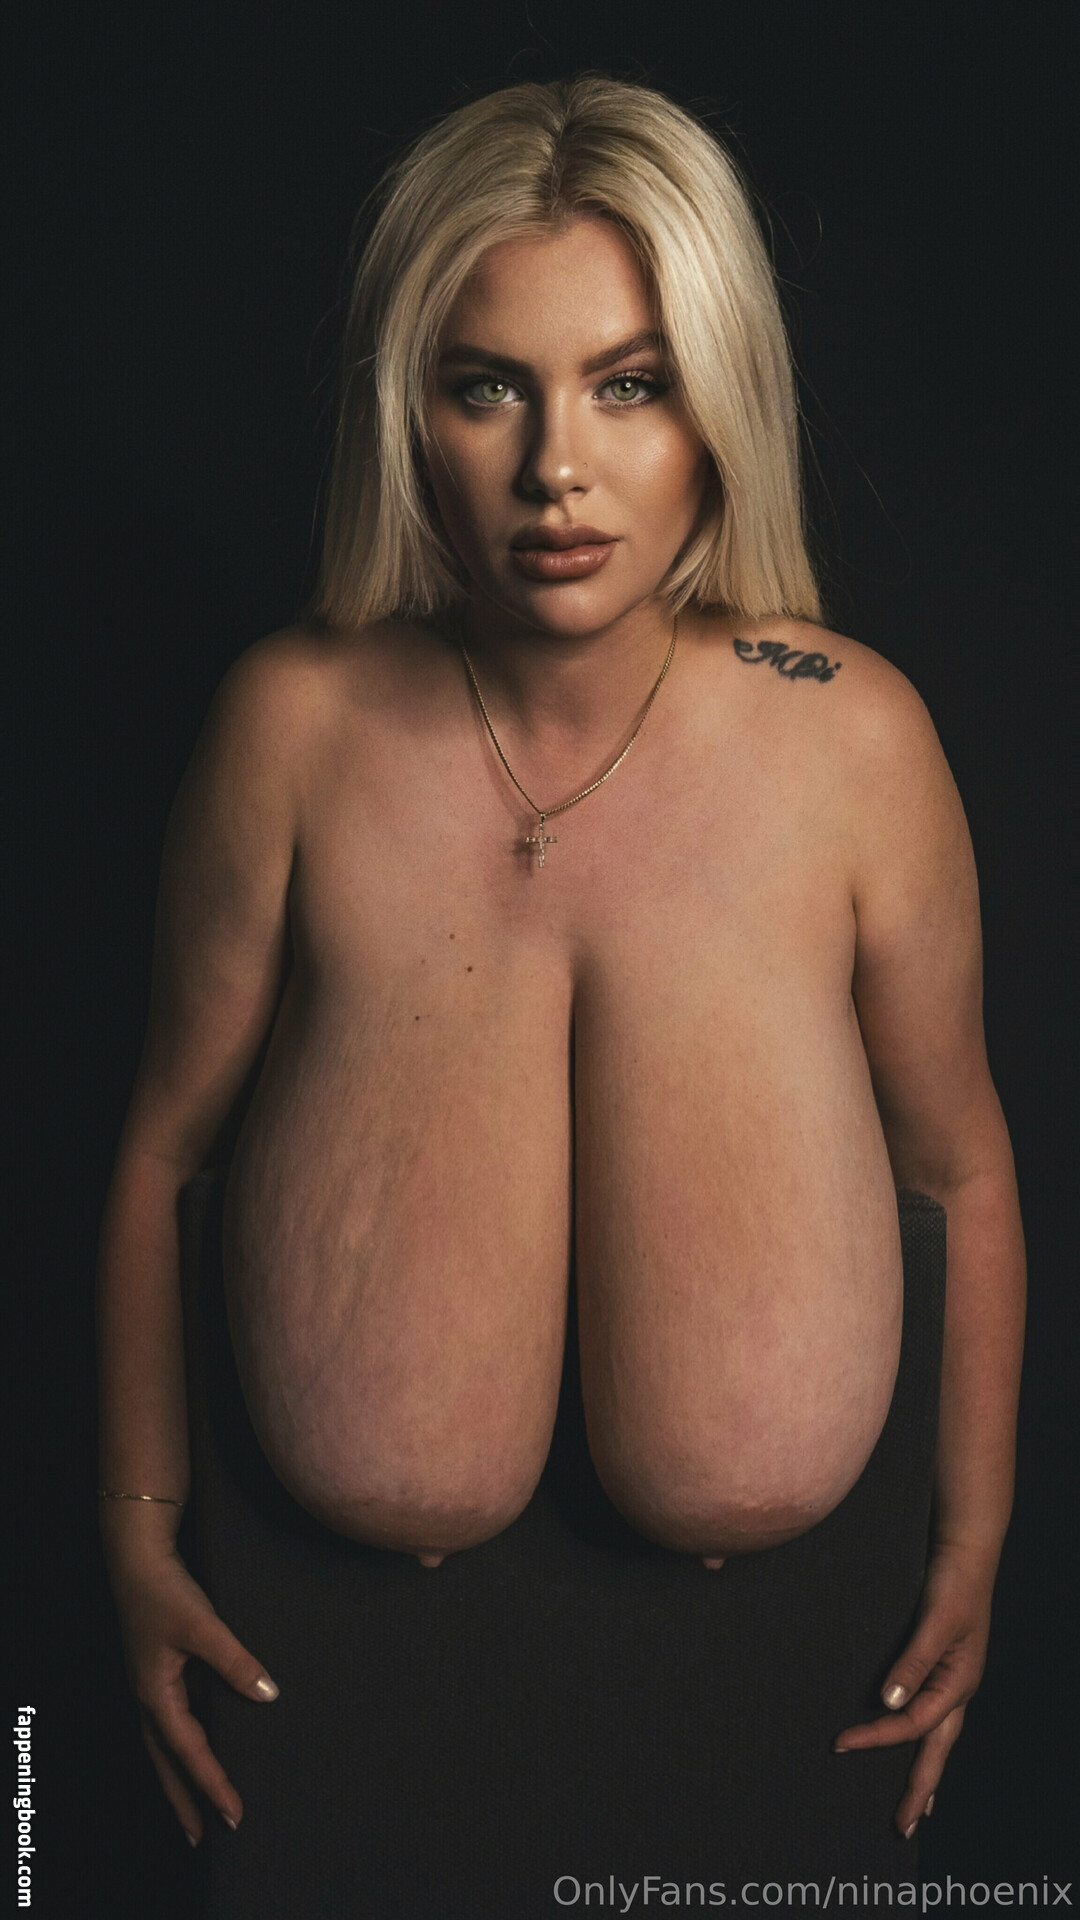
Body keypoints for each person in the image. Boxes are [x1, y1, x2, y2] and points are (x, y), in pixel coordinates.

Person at [96, 73, 1025, 1900]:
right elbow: (157, 1151)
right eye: (486, 387)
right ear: (408, 411)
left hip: (802, 1686)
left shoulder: (857, 741)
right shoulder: (291, 729)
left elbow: (962, 1169)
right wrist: (131, 1537)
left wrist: (979, 1546)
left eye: (629, 381)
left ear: (718, 400)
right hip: (318, 1684)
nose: (556, 469)